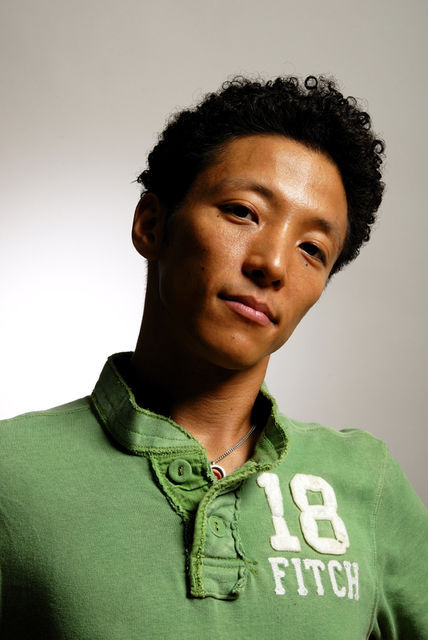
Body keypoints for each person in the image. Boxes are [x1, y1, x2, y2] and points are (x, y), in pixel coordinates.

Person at [0, 76, 427, 639]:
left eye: (312, 249)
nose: (273, 264)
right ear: (152, 225)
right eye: (243, 212)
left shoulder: (366, 482)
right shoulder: (13, 471)